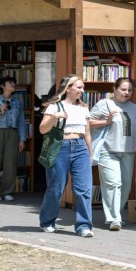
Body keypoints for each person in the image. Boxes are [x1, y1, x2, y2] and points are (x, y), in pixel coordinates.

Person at [38, 75, 94, 237]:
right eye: (78, 87)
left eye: (82, 88)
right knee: (56, 188)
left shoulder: (84, 108)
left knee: (84, 189)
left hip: (80, 147)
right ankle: (47, 221)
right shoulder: (55, 107)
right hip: (60, 146)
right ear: (68, 88)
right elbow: (42, 129)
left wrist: (90, 154)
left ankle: (84, 225)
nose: (82, 91)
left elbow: (88, 133)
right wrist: (55, 117)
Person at [89, 77, 136, 231]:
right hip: (108, 150)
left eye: (129, 90)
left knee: (126, 185)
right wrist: (106, 121)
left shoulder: (134, 108)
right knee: (114, 184)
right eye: (123, 89)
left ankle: (115, 214)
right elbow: (88, 122)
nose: (126, 93)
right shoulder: (104, 104)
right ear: (114, 89)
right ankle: (115, 218)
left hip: (128, 151)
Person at [0, 76, 26, 202]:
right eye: (10, 82)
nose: (13, 84)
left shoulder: (17, 102)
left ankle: (8, 191)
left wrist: (22, 139)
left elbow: (21, 121)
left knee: (11, 162)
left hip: (12, 132)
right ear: (2, 86)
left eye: (14, 82)